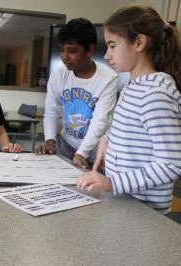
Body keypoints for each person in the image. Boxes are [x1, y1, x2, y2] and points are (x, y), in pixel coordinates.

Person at [77, 4, 181, 214]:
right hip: (126, 203)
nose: (107, 55)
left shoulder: (155, 94)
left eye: (112, 46)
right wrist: (108, 138)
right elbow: (129, 125)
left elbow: (171, 164)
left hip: (146, 212)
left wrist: (112, 183)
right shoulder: (132, 87)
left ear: (139, 43)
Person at [36, 18, 118, 169]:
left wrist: (81, 154)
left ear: (90, 50)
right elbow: (51, 110)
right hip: (66, 145)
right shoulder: (58, 75)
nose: (64, 57)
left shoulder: (108, 78)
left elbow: (100, 121)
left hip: (95, 150)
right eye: (62, 50)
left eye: (72, 51)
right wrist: (50, 141)